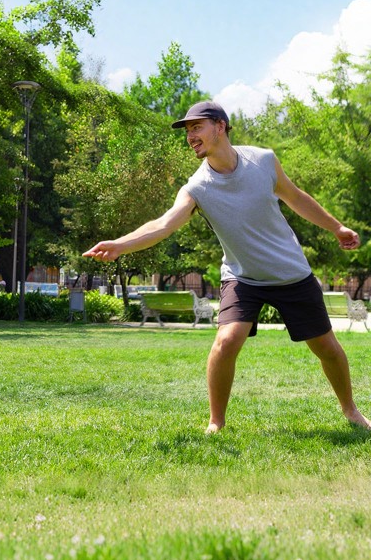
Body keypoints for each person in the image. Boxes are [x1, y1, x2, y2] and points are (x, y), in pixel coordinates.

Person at [83, 100, 371, 434]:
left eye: (197, 127)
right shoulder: (197, 188)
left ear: (220, 126)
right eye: (188, 131)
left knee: (326, 348)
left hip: (290, 272)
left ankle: (351, 410)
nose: (190, 136)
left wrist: (337, 228)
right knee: (226, 341)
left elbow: (296, 197)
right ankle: (216, 423)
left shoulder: (262, 160)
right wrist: (120, 245)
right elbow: (163, 225)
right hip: (242, 276)